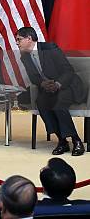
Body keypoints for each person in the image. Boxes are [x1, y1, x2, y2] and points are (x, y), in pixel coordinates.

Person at [16, 26, 87, 156]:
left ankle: (76, 140)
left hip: (67, 85)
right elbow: (34, 78)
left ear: (29, 39)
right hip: (49, 88)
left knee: (59, 103)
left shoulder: (50, 48)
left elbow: (68, 70)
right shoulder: (25, 57)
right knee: (41, 102)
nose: (17, 43)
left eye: (19, 39)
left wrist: (58, 84)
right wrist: (43, 83)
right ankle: (62, 141)